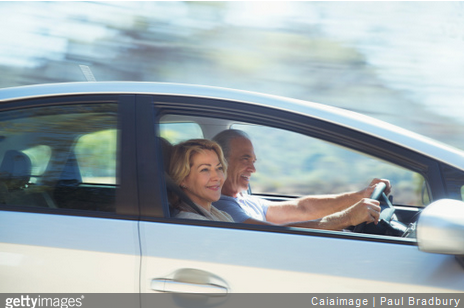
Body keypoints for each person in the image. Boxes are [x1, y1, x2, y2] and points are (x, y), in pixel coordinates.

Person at [212, 129, 391, 231]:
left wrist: (360, 196)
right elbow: (269, 233)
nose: (253, 169)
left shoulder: (243, 199)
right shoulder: (222, 206)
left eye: (253, 161)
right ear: (221, 161)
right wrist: (347, 218)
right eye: (245, 160)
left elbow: (302, 208)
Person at [168, 139, 234, 222]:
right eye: (205, 169)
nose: (217, 177)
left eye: (219, 168)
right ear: (182, 178)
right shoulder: (191, 222)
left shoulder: (223, 215)